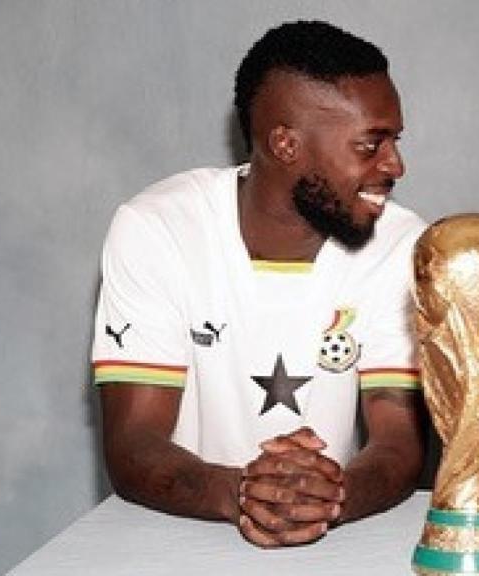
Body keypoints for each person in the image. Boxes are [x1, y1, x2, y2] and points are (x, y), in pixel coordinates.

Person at [91, 21, 427, 547]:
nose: (395, 164)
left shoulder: (403, 243)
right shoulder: (157, 229)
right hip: (179, 542)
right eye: (370, 145)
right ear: (285, 144)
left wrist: (330, 496)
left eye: (395, 140)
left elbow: (400, 442)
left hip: (332, 543)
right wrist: (240, 493)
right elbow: (133, 441)